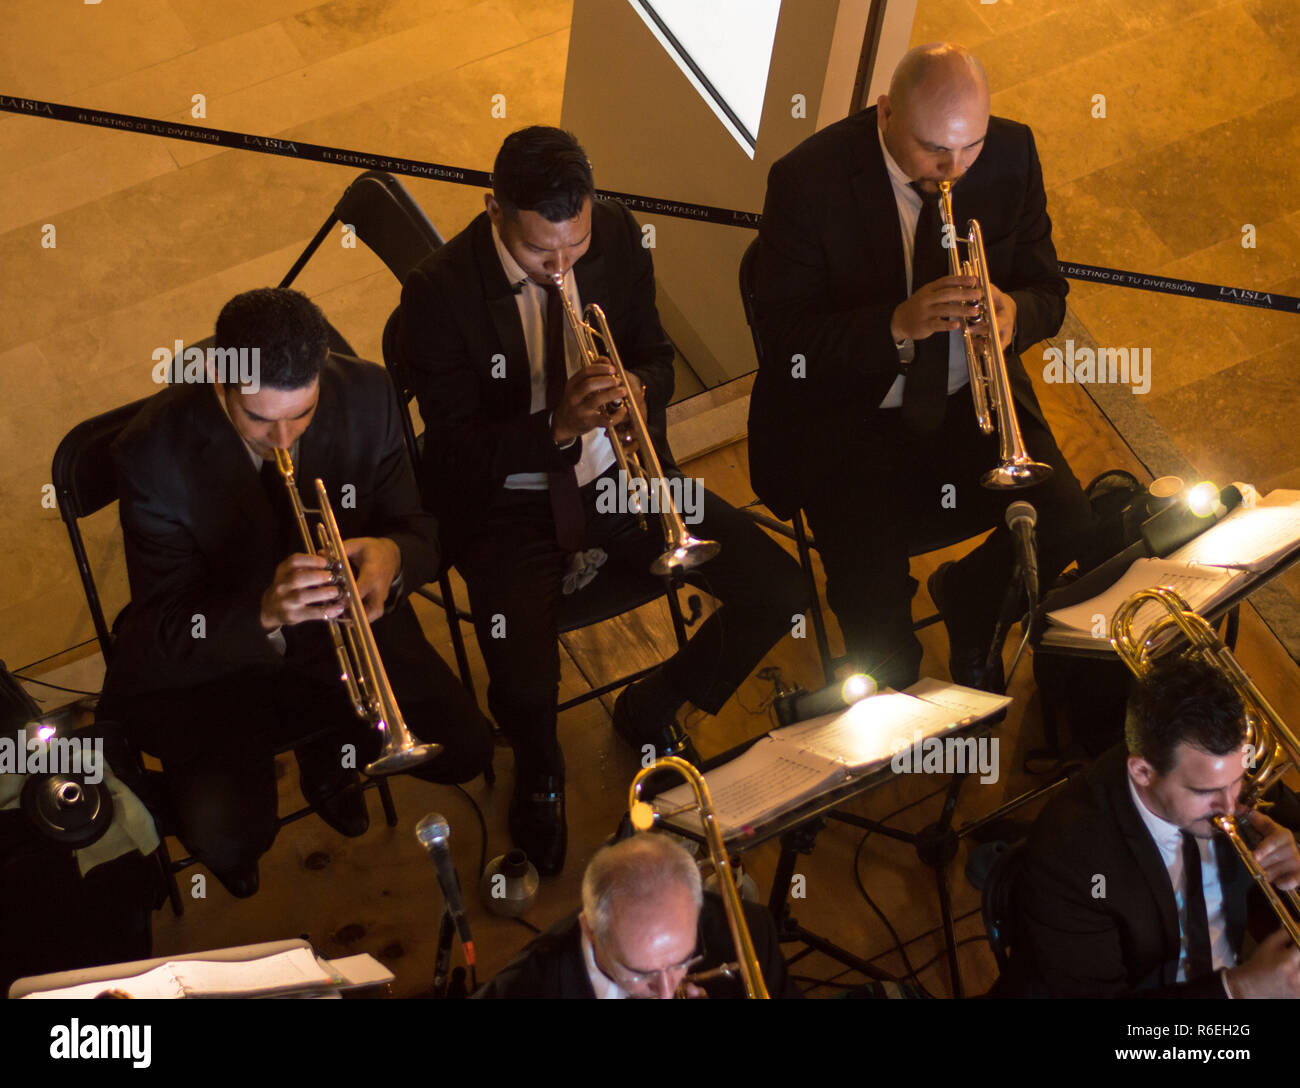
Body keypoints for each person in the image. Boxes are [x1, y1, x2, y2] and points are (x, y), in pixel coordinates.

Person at [398, 126, 808, 875]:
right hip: (508, 496)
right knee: (522, 678)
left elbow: (655, 354)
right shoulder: (438, 293)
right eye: (539, 255)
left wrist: (640, 389)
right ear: (495, 212)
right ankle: (542, 768)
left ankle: (654, 704)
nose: (561, 271)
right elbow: (451, 454)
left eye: (574, 250)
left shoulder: (615, 233)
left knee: (778, 588)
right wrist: (554, 425)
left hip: (623, 473)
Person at [99, 288, 494, 898]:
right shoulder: (152, 453)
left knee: (466, 750)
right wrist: (263, 611)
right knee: (228, 836)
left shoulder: (365, 392)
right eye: (259, 419)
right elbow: (170, 625)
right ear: (221, 385)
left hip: (348, 634)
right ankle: (246, 819)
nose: (283, 439)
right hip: (227, 659)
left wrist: (393, 557)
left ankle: (329, 760)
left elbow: (418, 530)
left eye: (302, 413)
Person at [748, 42, 1092, 692]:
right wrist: (896, 325)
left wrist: (1014, 313)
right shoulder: (807, 180)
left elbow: (1049, 293)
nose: (953, 169)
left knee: (1068, 520)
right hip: (850, 418)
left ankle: (972, 598)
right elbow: (786, 343)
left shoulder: (1013, 153)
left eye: (971, 147)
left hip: (968, 401)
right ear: (884, 113)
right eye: (935, 149)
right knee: (885, 650)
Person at [1014, 656, 1300, 998]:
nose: (1231, 806)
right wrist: (1239, 988)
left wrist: (1292, 862)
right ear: (1142, 772)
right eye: (1205, 791)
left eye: (1236, 781)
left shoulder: (1228, 765)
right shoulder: (1070, 862)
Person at [474, 832, 797, 998]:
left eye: (684, 960)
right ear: (590, 931)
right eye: (642, 973)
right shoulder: (523, 989)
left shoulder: (750, 934)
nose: (668, 992)